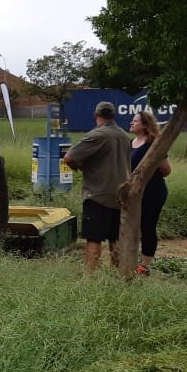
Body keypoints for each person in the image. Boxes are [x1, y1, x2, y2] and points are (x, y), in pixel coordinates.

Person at [63, 101, 131, 273]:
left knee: (94, 238)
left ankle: (90, 278)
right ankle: (117, 274)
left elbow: (69, 158)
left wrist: (80, 167)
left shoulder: (97, 135)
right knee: (115, 238)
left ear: (96, 115)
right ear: (113, 115)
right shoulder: (124, 136)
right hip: (120, 194)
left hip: (97, 194)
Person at [129, 111, 172, 275]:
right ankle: (129, 260)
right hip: (133, 194)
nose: (131, 123)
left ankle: (144, 266)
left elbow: (166, 170)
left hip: (153, 192)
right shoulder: (130, 143)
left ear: (146, 125)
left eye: (135, 121)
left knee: (147, 226)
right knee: (131, 226)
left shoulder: (154, 144)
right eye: (132, 120)